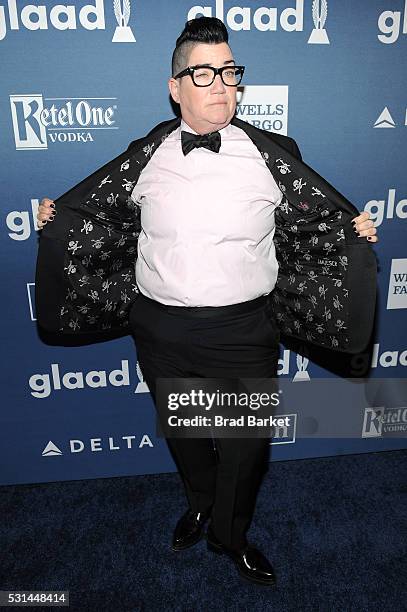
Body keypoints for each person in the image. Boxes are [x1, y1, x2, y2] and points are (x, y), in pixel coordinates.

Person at [35, 17, 378, 587]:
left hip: (244, 332)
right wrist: (57, 221)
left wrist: (353, 233)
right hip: (160, 331)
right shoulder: (144, 154)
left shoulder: (276, 154)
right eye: (204, 73)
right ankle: (198, 506)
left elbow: (318, 224)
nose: (221, 85)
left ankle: (231, 533)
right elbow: (97, 216)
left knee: (245, 451)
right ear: (176, 86)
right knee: (188, 437)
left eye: (229, 72)